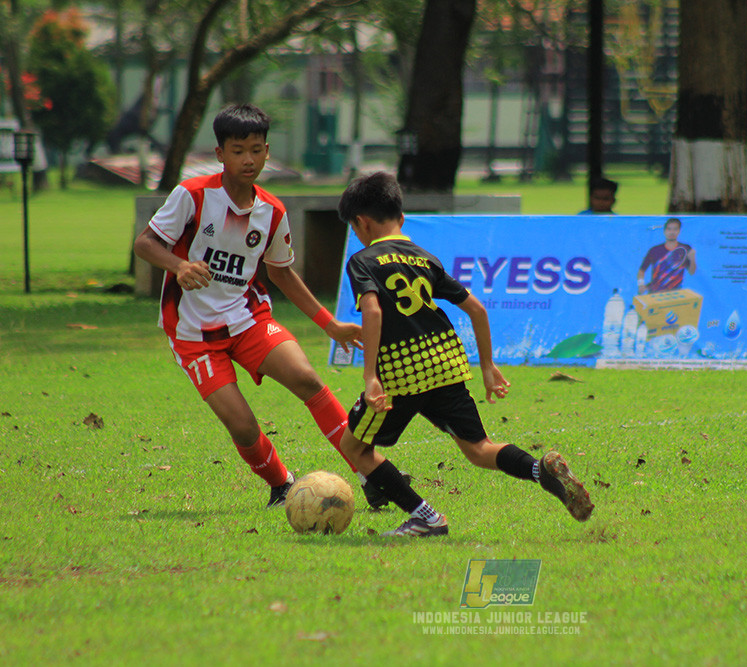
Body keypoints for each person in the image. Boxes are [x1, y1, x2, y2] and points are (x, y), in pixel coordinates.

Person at [335, 171, 594, 537]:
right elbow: (477, 310)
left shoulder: (363, 260)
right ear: (401, 218)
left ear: (360, 223)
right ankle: (540, 470)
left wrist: (370, 377)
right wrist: (487, 366)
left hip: (402, 373)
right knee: (478, 448)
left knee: (355, 446)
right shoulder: (426, 259)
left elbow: (374, 312)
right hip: (446, 362)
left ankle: (426, 517)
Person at [133, 103, 364, 509]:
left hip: (247, 319)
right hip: (194, 335)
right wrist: (179, 265)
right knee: (241, 426)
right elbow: (145, 243)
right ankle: (281, 484)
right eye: (238, 150)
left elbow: (283, 274)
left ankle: (370, 473)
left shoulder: (272, 211)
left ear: (267, 151)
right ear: (220, 153)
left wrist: (331, 326)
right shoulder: (193, 195)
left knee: (307, 379)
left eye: (256, 150)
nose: (248, 159)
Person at [637, 217, 697, 293]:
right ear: (664, 231)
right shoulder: (654, 250)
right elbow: (641, 271)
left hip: (675, 294)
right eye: (669, 229)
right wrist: (641, 285)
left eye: (675, 229)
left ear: (679, 231)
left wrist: (692, 259)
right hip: (655, 292)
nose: (672, 232)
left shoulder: (686, 248)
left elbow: (692, 272)